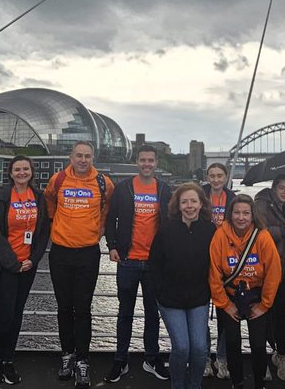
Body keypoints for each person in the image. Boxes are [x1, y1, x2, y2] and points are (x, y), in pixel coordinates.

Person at [45, 141, 113, 389]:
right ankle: (67, 355)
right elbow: (49, 200)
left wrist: (101, 230)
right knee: (64, 307)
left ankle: (83, 359)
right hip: (60, 252)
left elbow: (107, 208)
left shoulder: (103, 182)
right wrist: (54, 221)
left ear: (93, 158)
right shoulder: (58, 179)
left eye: (87, 156)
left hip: (88, 253)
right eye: (79, 156)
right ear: (71, 157)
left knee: (83, 308)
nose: (83, 160)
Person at [104, 145, 172, 382]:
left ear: (156, 163)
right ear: (137, 162)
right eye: (142, 160)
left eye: (150, 160)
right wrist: (112, 246)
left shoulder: (163, 189)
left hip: (154, 264)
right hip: (128, 261)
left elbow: (172, 221)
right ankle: (120, 360)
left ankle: (151, 358)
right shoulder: (124, 188)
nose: (146, 164)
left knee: (153, 314)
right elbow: (110, 219)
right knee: (125, 313)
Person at [0, 156, 50, 385]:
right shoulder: (2, 196)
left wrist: (33, 259)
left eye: (25, 169)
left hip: (27, 266)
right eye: (17, 169)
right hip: (5, 267)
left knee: (16, 315)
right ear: (10, 173)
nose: (22, 173)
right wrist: (12, 262)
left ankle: (7, 360)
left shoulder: (38, 197)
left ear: (31, 172)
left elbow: (43, 232)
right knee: (3, 316)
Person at [209, 195, 282, 389]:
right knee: (232, 343)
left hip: (255, 294)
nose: (241, 217)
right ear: (230, 214)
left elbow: (273, 273)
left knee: (258, 344)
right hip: (230, 294)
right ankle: (237, 383)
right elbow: (214, 273)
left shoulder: (263, 237)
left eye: (246, 213)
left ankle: (260, 384)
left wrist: (265, 305)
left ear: (252, 215)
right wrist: (225, 304)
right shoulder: (220, 236)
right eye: (237, 212)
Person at [149, 183, 216, 389]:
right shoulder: (166, 230)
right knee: (181, 347)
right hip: (171, 299)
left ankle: (195, 385)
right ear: (178, 205)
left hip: (199, 297)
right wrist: (160, 292)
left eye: (193, 201)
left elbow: (218, 262)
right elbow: (155, 264)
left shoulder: (210, 230)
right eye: (184, 201)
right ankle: (177, 385)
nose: (189, 206)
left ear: (201, 204)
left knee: (199, 348)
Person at [253, 174, 285, 381]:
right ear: (273, 187)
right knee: (266, 313)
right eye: (282, 188)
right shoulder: (261, 204)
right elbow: (257, 232)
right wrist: (282, 230)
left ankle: (280, 355)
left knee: (280, 312)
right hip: (269, 268)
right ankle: (267, 359)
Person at [201, 163, 235, 379]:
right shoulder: (199, 195)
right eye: (212, 176)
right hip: (202, 259)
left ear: (225, 177)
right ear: (207, 177)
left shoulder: (232, 198)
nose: (215, 179)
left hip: (226, 261)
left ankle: (222, 358)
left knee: (225, 312)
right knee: (201, 312)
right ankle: (204, 357)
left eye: (219, 175)